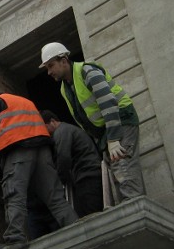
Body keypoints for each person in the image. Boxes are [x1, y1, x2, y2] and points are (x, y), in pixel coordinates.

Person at [0, 84, 78, 245]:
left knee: (15, 195)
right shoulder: (23, 101)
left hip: (19, 151)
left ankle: (15, 239)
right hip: (43, 150)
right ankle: (77, 228)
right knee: (55, 199)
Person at [39, 42, 145, 201]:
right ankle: (132, 208)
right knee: (117, 174)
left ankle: (136, 211)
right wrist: (103, 143)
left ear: (64, 60)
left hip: (121, 120)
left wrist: (114, 139)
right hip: (106, 132)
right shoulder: (64, 89)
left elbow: (108, 103)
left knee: (123, 168)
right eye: (47, 67)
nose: (49, 72)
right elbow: (85, 121)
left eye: (51, 65)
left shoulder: (87, 71)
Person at [40, 110, 103, 217]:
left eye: (44, 127)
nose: (45, 133)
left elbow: (63, 158)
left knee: (93, 215)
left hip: (87, 177)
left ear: (52, 121)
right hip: (88, 175)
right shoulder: (67, 129)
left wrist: (60, 182)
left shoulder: (61, 132)